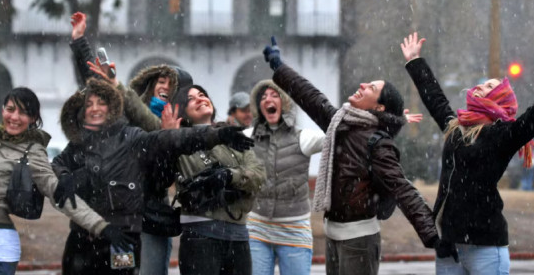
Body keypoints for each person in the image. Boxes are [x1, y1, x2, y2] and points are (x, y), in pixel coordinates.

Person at [399, 32, 534, 274]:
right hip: (449, 246)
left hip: (486, 249)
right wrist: (415, 61)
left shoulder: (501, 136)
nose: (481, 85)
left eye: (489, 86)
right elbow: (435, 100)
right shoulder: (456, 129)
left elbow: (532, 120)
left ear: (496, 101)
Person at [263, 37, 442, 275]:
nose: (363, 85)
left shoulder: (378, 144)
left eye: (372, 88)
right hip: (333, 234)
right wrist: (279, 66)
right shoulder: (341, 123)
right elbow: (310, 95)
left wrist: (431, 235)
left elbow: (402, 188)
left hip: (359, 241)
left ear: (379, 108)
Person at [53, 76, 253, 275]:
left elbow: (173, 138)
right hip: (81, 238)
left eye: (101, 103)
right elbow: (56, 166)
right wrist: (65, 176)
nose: (95, 109)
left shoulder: (131, 137)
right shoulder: (76, 146)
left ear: (112, 108)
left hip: (122, 237)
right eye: (89, 105)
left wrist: (216, 135)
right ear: (81, 112)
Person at [69, 11, 192, 275]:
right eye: (161, 80)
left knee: (148, 271)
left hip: (152, 216)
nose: (165, 87)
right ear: (149, 83)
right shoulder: (125, 110)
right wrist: (80, 42)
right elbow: (98, 83)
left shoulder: (182, 125)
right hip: (121, 213)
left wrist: (170, 137)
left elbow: (167, 169)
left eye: (172, 85)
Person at [0, 75, 107, 275]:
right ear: (2, 111)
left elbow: (58, 192)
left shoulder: (32, 151)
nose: (15, 117)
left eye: (23, 113)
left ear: (34, 118)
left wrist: (100, 226)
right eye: (10, 110)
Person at [170, 84, 267, 275]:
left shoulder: (232, 136)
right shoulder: (177, 140)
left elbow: (259, 175)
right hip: (200, 235)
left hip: (238, 235)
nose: (200, 99)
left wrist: (230, 175)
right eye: (191, 99)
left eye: (202, 94)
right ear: (181, 111)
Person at [243, 80, 325, 275]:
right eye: (263, 97)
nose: (268, 100)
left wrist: (384, 120)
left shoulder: (303, 138)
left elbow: (338, 134)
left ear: (285, 102)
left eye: (274, 95)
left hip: (294, 229)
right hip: (257, 227)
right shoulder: (247, 138)